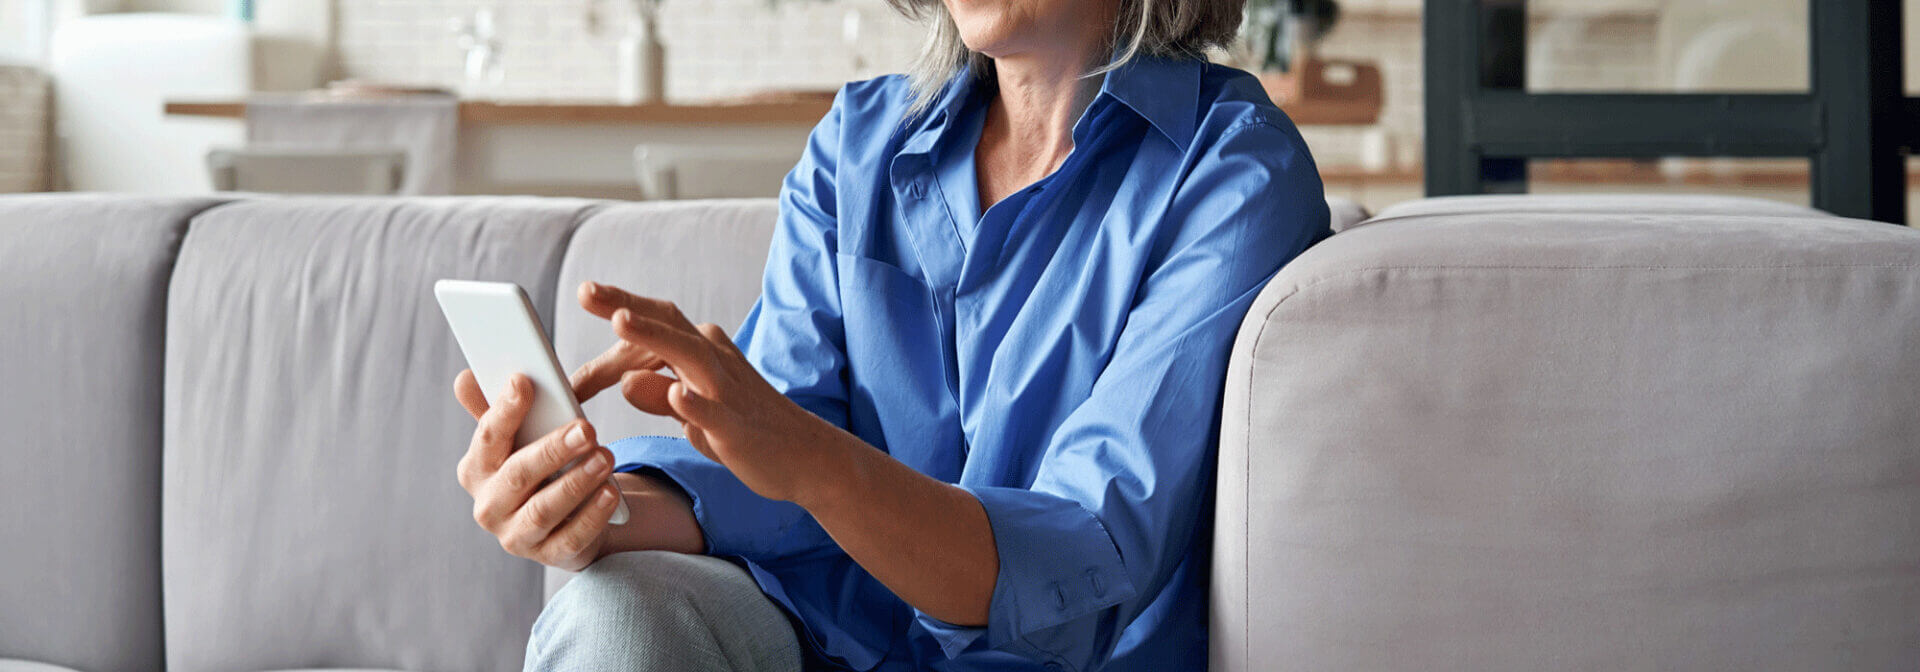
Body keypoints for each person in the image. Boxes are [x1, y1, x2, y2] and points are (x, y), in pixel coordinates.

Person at [451, 0, 1330, 668]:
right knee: (612, 607)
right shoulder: (860, 143)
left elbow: (1081, 562)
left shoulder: (1233, 173)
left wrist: (807, 456)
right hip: (824, 642)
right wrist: (591, 510)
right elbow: (771, 489)